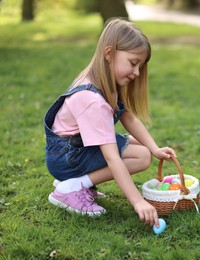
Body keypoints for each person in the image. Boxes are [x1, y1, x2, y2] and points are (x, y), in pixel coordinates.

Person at [43, 18, 176, 227]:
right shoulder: (92, 100)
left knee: (143, 148)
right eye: (133, 63)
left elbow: (128, 116)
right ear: (109, 54)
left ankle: (76, 182)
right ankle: (72, 187)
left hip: (73, 150)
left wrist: (155, 148)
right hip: (67, 157)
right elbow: (112, 158)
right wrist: (138, 202)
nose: (137, 73)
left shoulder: (102, 80)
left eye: (140, 66)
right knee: (141, 156)